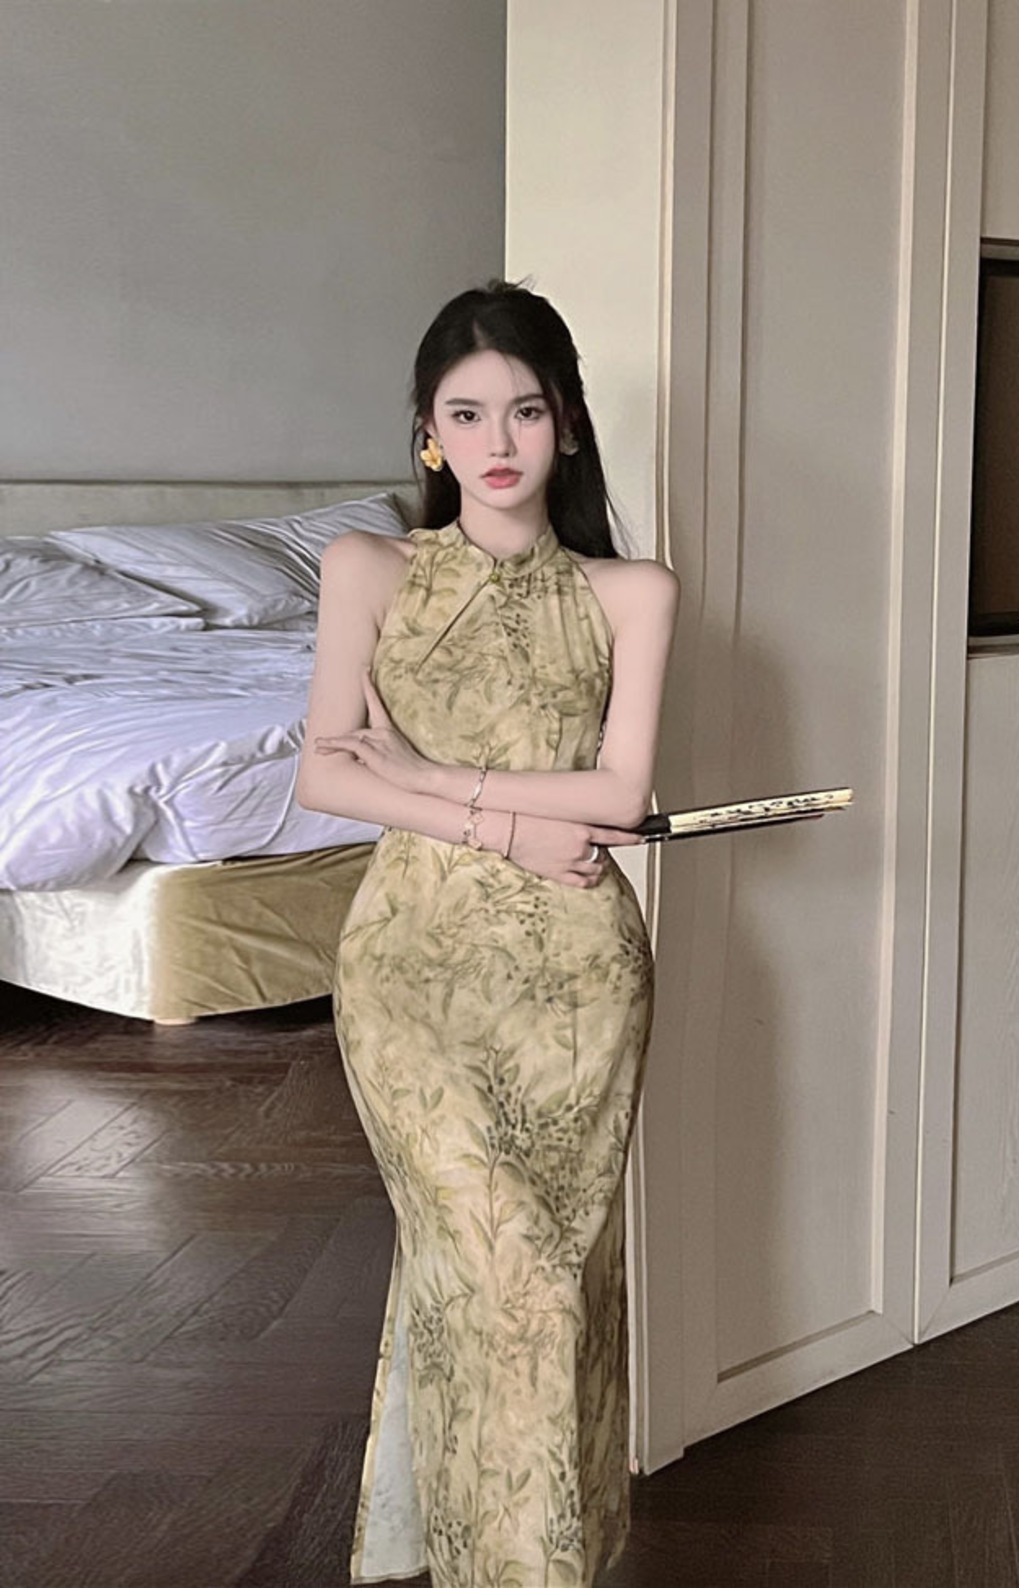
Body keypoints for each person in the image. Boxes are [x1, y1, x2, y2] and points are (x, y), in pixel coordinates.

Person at [296, 280, 679, 1588]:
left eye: (524, 409)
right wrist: (507, 825)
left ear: (566, 423)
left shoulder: (634, 592)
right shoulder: (368, 569)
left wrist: (420, 772)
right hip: (412, 967)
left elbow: (618, 797)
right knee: (497, 1260)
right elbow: (325, 774)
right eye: (465, 414)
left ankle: (503, 1552)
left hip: (579, 980)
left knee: (545, 1280)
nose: (497, 440)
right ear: (427, 433)